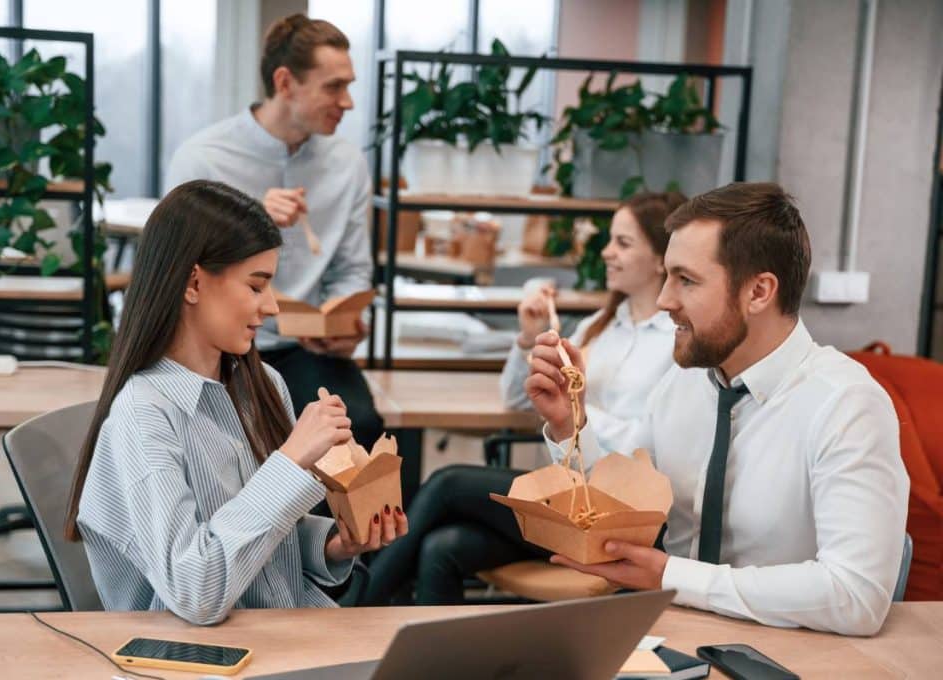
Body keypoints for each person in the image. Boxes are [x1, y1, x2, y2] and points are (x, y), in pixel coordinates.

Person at [528, 182, 908, 636]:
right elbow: (620, 508)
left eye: (686, 280)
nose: (665, 300)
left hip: (790, 653)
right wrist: (571, 424)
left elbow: (856, 595)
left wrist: (673, 576)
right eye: (667, 276)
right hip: (672, 637)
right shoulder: (683, 384)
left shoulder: (847, 406)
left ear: (759, 292)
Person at [65, 181, 407, 625]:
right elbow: (195, 592)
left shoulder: (261, 384)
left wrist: (333, 545)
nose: (271, 307)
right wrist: (289, 461)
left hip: (278, 637)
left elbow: (262, 540)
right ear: (193, 283)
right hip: (198, 658)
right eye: (256, 285)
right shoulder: (143, 415)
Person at [362, 191, 685, 605]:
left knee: (448, 484)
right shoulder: (597, 328)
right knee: (442, 547)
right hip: (565, 502)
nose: (606, 253)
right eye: (609, 240)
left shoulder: (676, 346)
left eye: (623, 243)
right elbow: (518, 400)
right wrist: (528, 340)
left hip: (616, 514)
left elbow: (647, 448)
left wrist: (578, 414)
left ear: (662, 259)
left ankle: (352, 607)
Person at [164, 14, 383, 450]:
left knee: (360, 427)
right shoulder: (203, 158)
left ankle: (337, 524)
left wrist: (347, 322)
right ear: (285, 82)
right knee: (228, 446)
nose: (348, 102)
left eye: (349, 85)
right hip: (219, 349)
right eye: (334, 87)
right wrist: (246, 222)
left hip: (306, 351)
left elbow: (352, 271)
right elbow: (172, 273)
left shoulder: (348, 165)